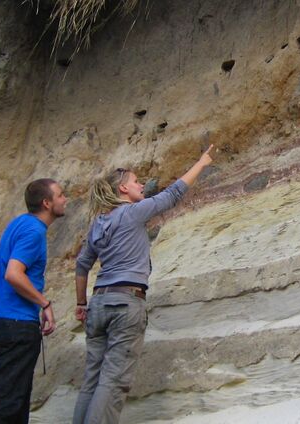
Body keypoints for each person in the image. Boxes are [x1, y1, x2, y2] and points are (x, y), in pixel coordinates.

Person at [73, 145, 214, 424]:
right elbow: (172, 195)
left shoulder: (99, 224)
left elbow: (81, 265)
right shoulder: (132, 213)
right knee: (112, 381)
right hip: (126, 303)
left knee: (92, 380)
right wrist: (201, 163)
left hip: (99, 303)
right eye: (136, 181)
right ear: (123, 190)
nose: (141, 185)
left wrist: (81, 303)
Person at [0, 178, 67, 424]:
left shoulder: (19, 223)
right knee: (7, 399)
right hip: (16, 320)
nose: (65, 199)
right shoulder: (34, 230)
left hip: (2, 315)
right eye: (60, 195)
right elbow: (13, 274)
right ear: (47, 203)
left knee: (15, 396)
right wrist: (45, 303)